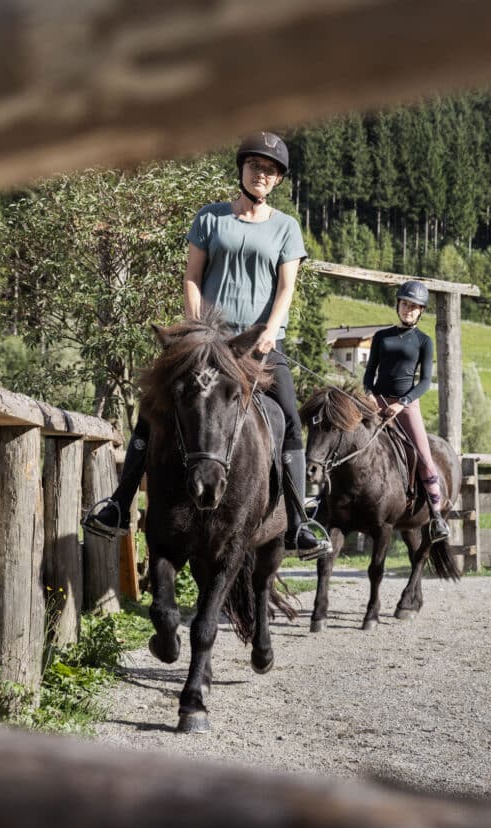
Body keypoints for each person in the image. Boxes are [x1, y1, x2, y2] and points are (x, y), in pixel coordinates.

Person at [84, 132, 331, 560]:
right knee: (153, 408)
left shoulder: (287, 228)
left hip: (258, 344)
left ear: (277, 181)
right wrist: (197, 329)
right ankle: (119, 505)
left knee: (290, 418)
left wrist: (270, 330)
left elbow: (286, 288)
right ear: (242, 169)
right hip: (209, 343)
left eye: (270, 171)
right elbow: (192, 277)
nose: (262, 175)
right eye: (255, 166)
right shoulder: (211, 218)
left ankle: (297, 523)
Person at [361, 279, 450, 543]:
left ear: (420, 311)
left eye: (414, 307)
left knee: (424, 456)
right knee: (347, 441)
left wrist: (402, 402)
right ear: (398, 305)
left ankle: (436, 516)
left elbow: (424, 382)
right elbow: (369, 374)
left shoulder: (424, 341)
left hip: (406, 404)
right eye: (405, 304)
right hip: (376, 402)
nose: (408, 309)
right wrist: (370, 395)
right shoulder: (381, 337)